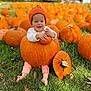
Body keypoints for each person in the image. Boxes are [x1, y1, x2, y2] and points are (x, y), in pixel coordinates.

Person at [16, 5, 57, 85]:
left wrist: (52, 34)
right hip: (30, 56)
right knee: (27, 64)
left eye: (41, 21)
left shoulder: (46, 29)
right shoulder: (31, 31)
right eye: (36, 21)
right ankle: (23, 75)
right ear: (31, 23)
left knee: (45, 66)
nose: (39, 23)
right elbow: (29, 37)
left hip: (45, 57)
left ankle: (45, 78)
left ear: (45, 22)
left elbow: (55, 35)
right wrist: (37, 36)